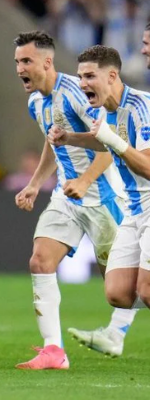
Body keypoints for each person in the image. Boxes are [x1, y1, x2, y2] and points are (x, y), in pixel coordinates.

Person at [12, 31, 135, 370]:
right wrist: (35, 183)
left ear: (46, 62)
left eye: (26, 61)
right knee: (40, 261)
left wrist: (85, 179)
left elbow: (111, 143)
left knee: (123, 286)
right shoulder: (36, 101)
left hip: (103, 198)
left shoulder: (77, 94)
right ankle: (54, 351)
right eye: (17, 62)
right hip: (66, 197)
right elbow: (54, 145)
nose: (20, 68)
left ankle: (117, 333)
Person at [49, 41, 150, 323]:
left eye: (90, 76)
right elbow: (102, 140)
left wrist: (112, 139)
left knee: (147, 289)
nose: (82, 83)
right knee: (118, 294)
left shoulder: (141, 108)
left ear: (112, 76)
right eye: (80, 77)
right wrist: (69, 138)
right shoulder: (104, 111)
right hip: (134, 210)